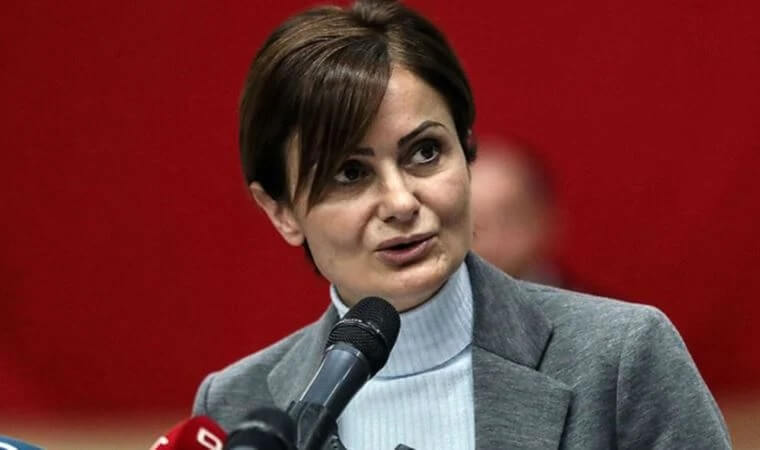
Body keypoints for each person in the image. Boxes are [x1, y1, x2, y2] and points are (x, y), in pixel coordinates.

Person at [192, 1, 730, 448]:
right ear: (281, 211)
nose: (401, 201)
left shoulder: (620, 358)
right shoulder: (235, 407)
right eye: (350, 173)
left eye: (425, 152)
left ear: (467, 152)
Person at [470, 140, 600, 294]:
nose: (491, 241)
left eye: (510, 219)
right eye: (471, 219)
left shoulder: (599, 308)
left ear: (550, 222)